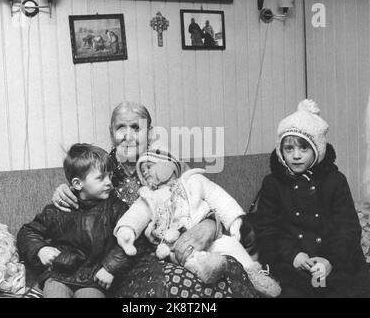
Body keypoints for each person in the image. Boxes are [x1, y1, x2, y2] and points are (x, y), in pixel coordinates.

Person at [51, 101, 259, 298]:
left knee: (227, 271)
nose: (128, 135)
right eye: (120, 128)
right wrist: (64, 190)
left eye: (136, 127)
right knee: (175, 284)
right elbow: (80, 207)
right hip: (130, 259)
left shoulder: (165, 162)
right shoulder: (102, 169)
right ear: (111, 132)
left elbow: (203, 197)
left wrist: (210, 224)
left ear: (149, 132)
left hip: (183, 244)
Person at [115, 149, 281, 297]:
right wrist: (126, 230)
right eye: (142, 172)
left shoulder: (194, 180)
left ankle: (255, 276)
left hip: (210, 235)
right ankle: (207, 268)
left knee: (231, 245)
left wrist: (234, 221)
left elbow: (219, 198)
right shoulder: (149, 196)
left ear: (168, 164)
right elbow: (135, 215)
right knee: (187, 258)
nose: (145, 173)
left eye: (149, 167)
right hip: (175, 245)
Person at [253, 99, 370, 298]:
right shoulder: (273, 183)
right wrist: (293, 255)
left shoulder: (335, 180)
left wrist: (329, 261)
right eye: (289, 149)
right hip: (292, 262)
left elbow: (347, 228)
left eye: (303, 149)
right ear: (281, 151)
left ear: (317, 150)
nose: (296, 156)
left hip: (333, 260)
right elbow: (267, 229)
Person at [17, 144, 136, 298]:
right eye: (101, 177)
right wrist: (41, 249)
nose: (109, 182)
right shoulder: (59, 208)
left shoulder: (116, 208)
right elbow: (27, 232)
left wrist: (110, 268)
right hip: (58, 275)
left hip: (94, 278)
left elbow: (131, 240)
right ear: (78, 184)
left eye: (110, 176)